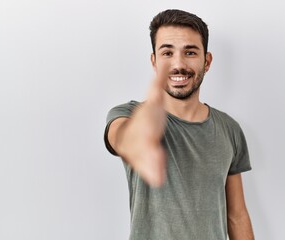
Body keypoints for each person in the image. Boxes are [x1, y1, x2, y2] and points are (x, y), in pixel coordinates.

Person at [104, 9, 254, 240]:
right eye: (167, 52)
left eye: (190, 52)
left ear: (207, 61)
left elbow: (237, 215)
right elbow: (122, 139)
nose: (178, 64)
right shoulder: (129, 114)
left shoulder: (229, 128)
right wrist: (142, 136)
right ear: (154, 61)